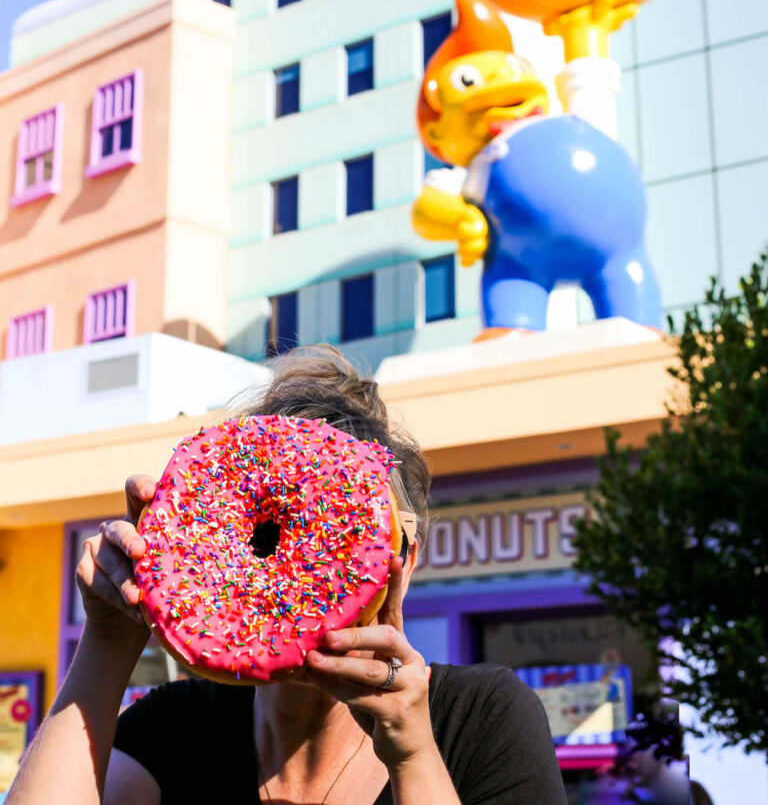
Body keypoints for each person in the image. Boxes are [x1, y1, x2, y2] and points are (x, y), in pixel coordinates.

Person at [7, 345, 567, 805]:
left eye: (337, 530)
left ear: (406, 557)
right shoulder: (175, 731)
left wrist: (414, 756)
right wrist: (108, 639)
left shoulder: (481, 719)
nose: (290, 564)